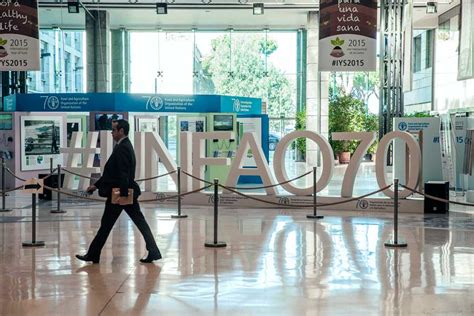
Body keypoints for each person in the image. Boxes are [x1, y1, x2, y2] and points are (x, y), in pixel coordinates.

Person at [76, 119, 161, 264]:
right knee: (134, 222)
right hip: (123, 193)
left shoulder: (123, 148)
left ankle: (93, 254)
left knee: (107, 225)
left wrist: (122, 195)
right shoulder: (123, 146)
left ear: (121, 131)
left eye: (114, 130)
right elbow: (113, 172)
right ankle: (153, 251)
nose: (111, 132)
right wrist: (96, 185)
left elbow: (123, 173)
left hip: (120, 194)